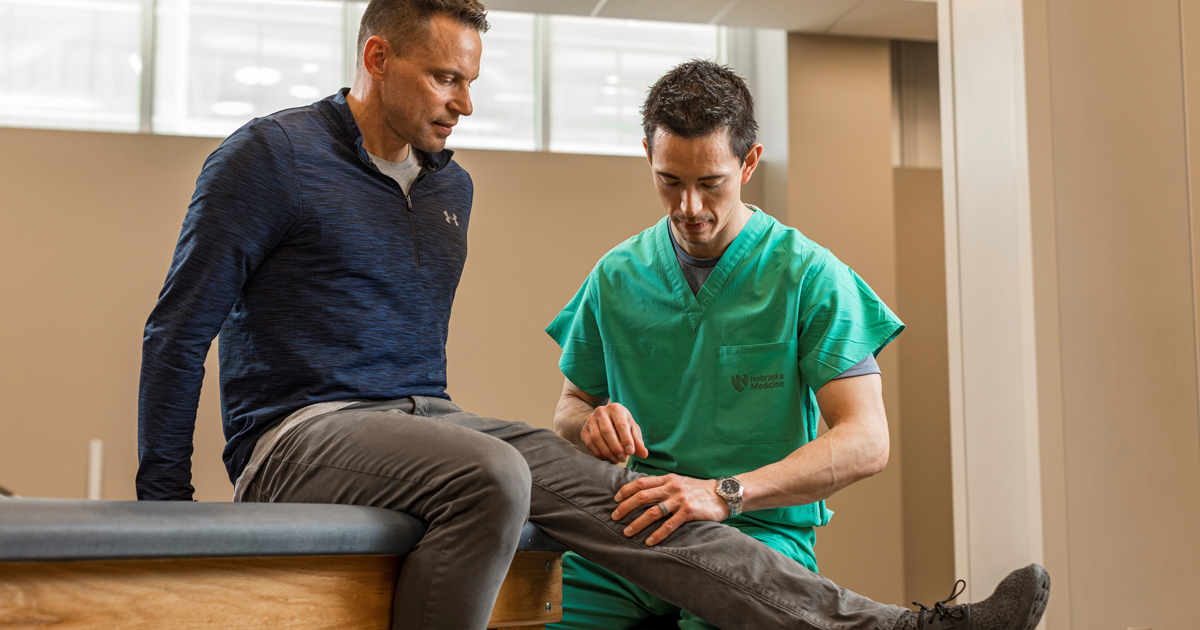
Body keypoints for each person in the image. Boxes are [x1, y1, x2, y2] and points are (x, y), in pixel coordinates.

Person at [135, 0, 1049, 628]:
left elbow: (424, 388)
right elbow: (179, 328)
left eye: (471, 80)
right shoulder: (270, 157)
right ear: (378, 57)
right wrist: (167, 513)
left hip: (416, 424)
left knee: (632, 497)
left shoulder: (450, 190)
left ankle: (896, 626)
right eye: (446, 78)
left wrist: (697, 480)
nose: (464, 101)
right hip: (295, 436)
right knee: (493, 474)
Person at [545, 60, 902, 630]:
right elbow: (570, 407)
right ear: (648, 156)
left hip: (758, 534)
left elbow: (866, 442)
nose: (689, 208)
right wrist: (590, 422)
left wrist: (723, 493)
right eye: (670, 180)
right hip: (631, 531)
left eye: (710, 183)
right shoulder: (615, 275)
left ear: (749, 162)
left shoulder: (808, 276)